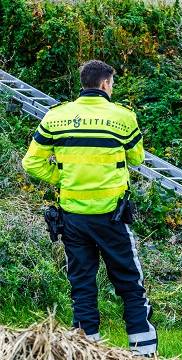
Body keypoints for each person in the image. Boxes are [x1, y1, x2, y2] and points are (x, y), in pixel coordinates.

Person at [21, 60, 157, 356]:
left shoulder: (56, 117)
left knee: (82, 285)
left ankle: (85, 350)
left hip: (73, 217)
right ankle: (143, 352)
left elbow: (30, 162)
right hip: (112, 217)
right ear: (106, 84)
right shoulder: (123, 117)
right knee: (130, 284)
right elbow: (137, 159)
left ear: (83, 83)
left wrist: (62, 177)